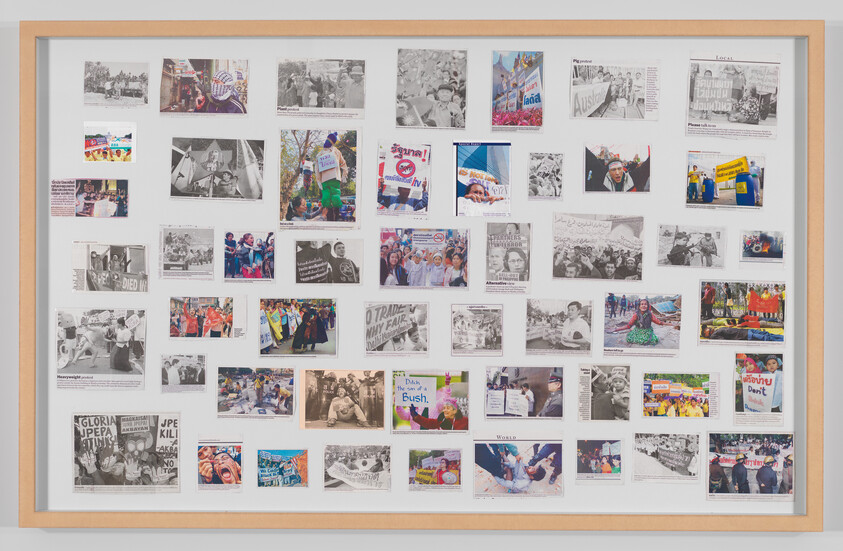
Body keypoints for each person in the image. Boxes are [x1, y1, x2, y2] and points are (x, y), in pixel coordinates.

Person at [609, 298, 678, 346]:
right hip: (638, 331)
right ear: (639, 306)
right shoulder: (636, 315)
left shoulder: (650, 314)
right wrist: (615, 329)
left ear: (648, 306)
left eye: (645, 304)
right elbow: (628, 326)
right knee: (629, 338)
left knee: (654, 340)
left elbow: (660, 323)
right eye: (642, 304)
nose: (643, 305)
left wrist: (671, 324)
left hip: (647, 331)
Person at [314, 132, 348, 222]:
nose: (328, 141)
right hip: (325, 181)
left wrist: (345, 173)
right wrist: (318, 181)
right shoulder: (319, 154)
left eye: (330, 140)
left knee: (335, 200)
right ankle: (330, 222)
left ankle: (335, 220)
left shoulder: (336, 151)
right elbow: (317, 168)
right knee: (327, 202)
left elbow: (343, 163)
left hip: (334, 179)